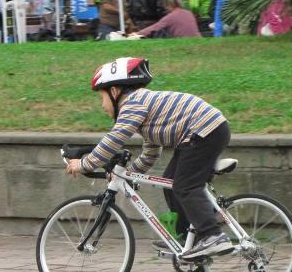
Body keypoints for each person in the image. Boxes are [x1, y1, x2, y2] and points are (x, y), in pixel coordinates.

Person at [65, 58, 234, 260]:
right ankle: (187, 238)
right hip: (201, 133)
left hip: (204, 132)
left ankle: (212, 236)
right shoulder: (144, 109)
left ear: (115, 91)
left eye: (102, 98)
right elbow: (151, 153)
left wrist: (84, 164)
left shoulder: (133, 103)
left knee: (185, 186)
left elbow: (115, 138)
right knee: (171, 182)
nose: (102, 106)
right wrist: (129, 175)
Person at [136, 0, 200, 38]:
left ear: (170, 5)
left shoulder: (170, 17)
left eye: (166, 6)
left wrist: (137, 34)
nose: (166, 9)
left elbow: (155, 27)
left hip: (183, 43)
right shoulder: (189, 13)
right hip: (198, 40)